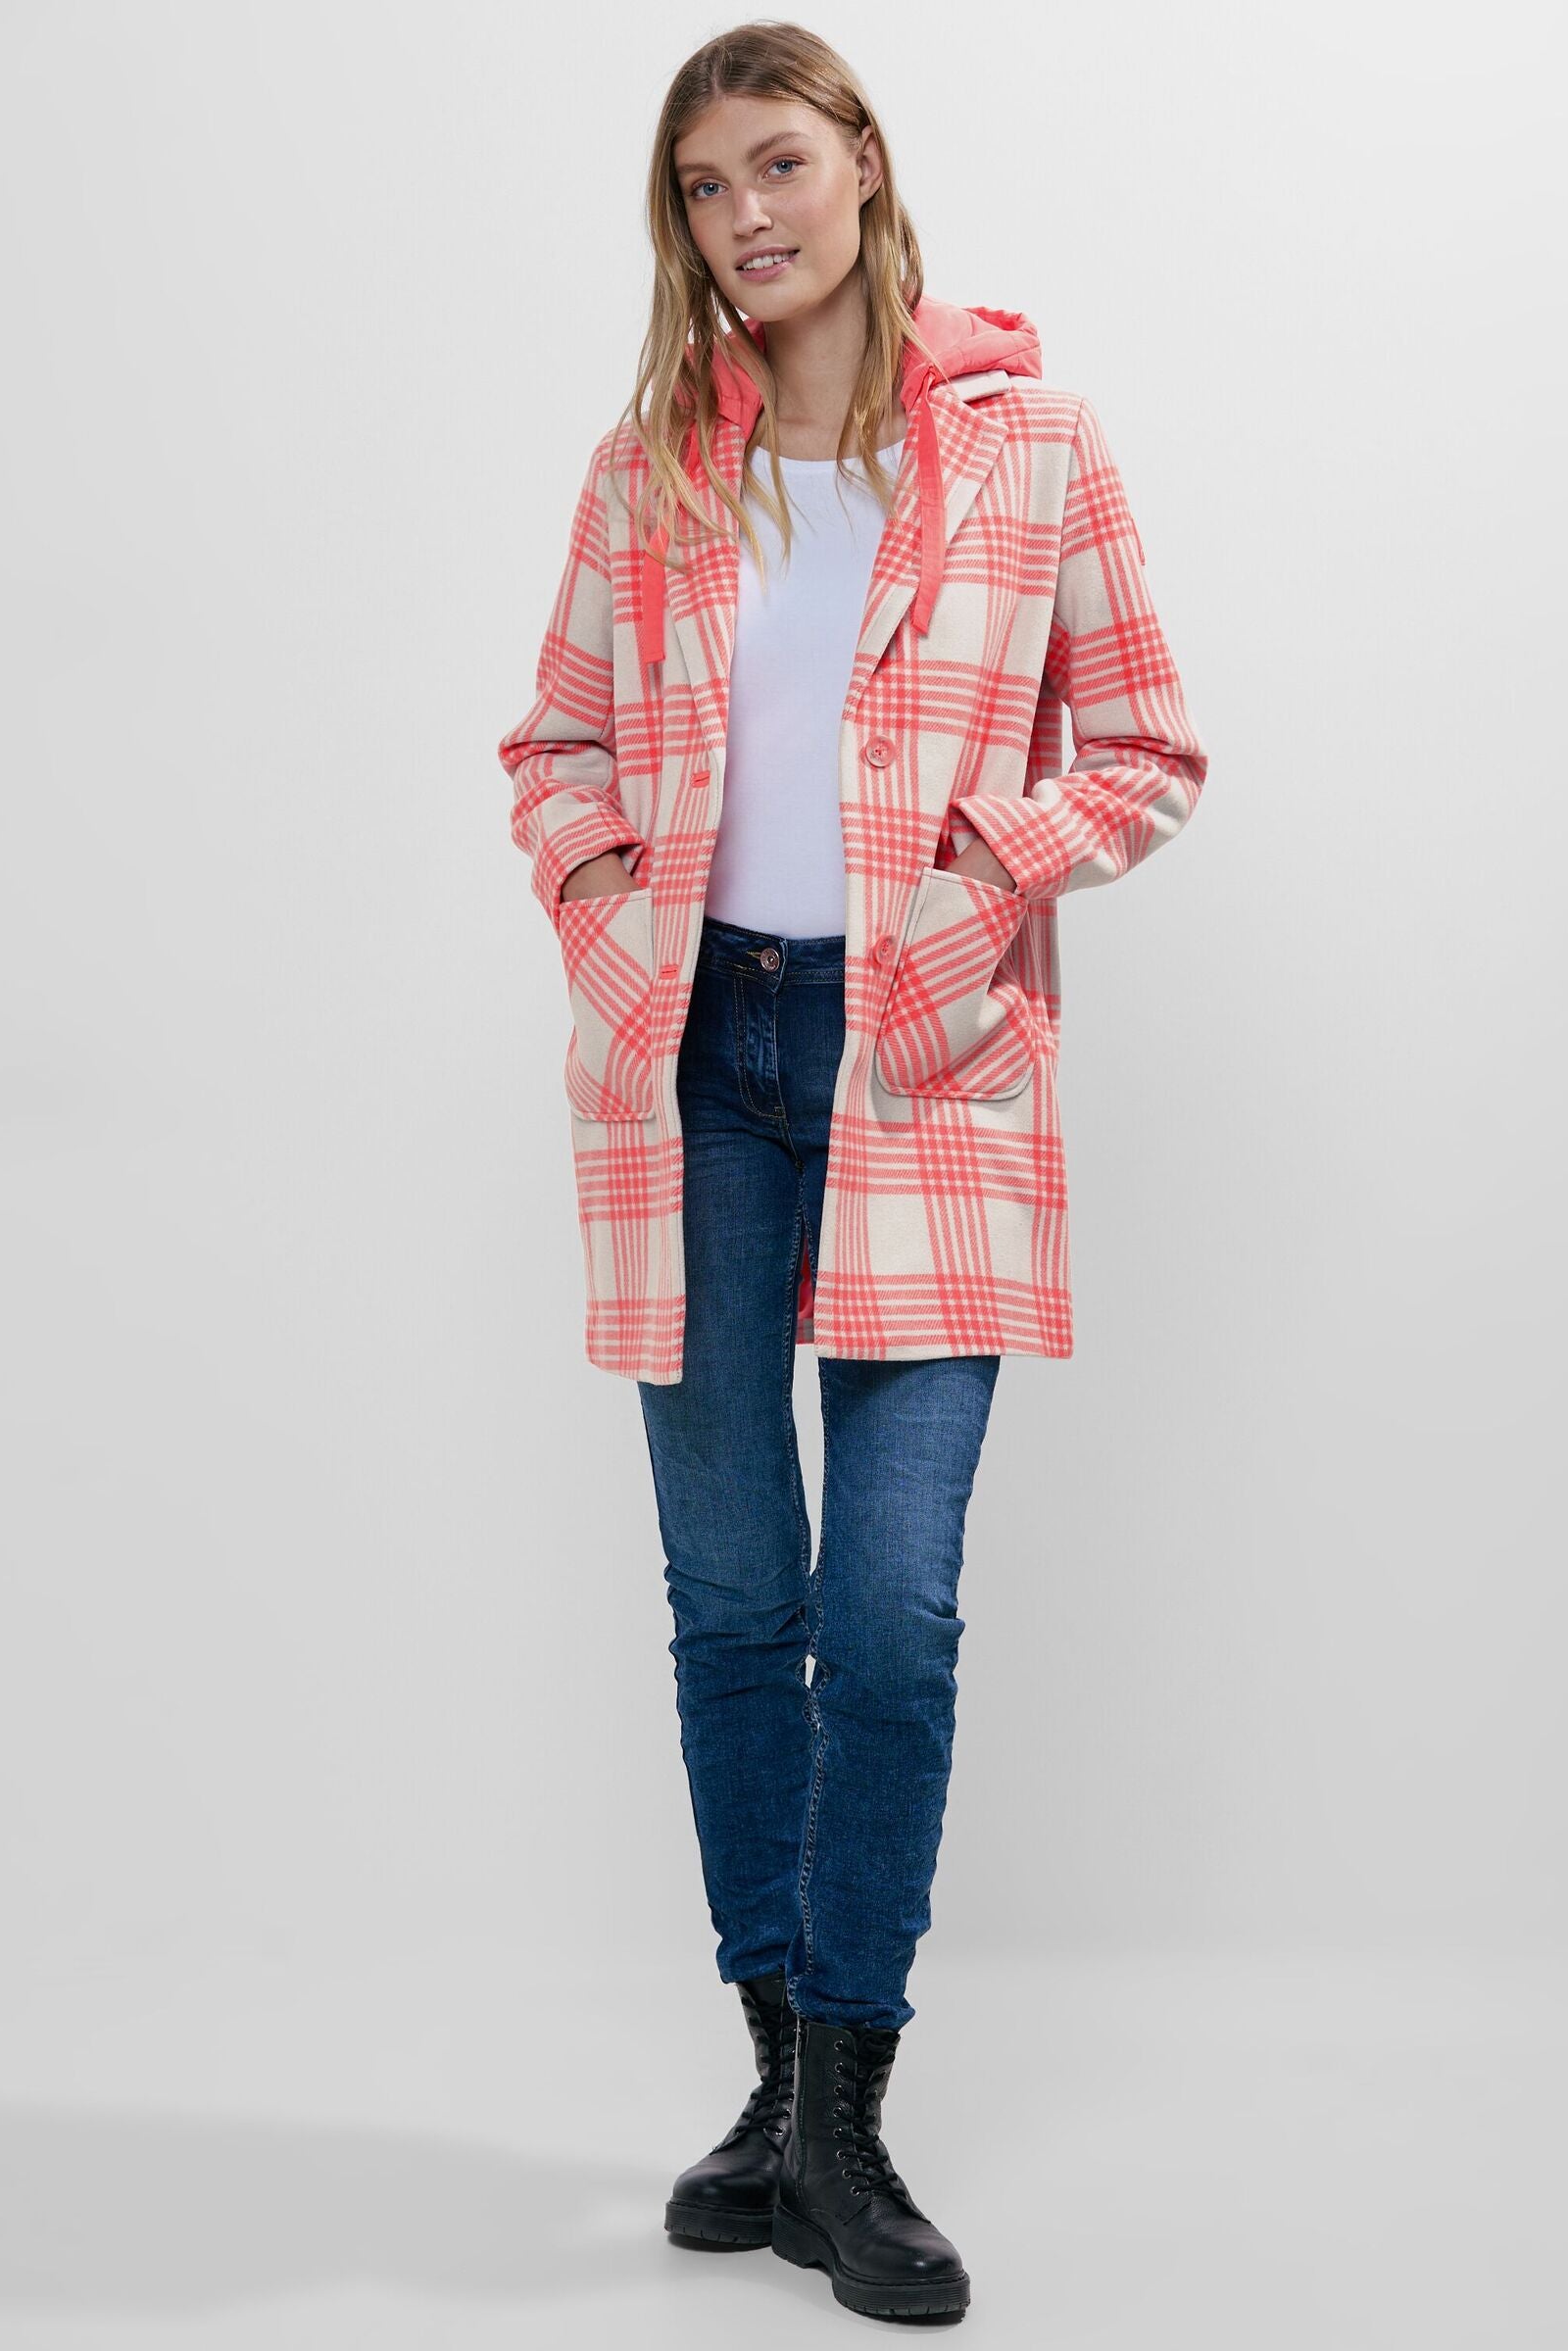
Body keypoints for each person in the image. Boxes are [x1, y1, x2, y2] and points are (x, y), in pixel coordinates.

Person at [497, 23, 1207, 2323]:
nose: (746, 219)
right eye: (703, 190)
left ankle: (844, 2113)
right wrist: (615, 915)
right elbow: (552, 746)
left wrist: (984, 883)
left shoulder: (1030, 448)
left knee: (886, 1616)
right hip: (695, 1060)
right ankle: (780, 2097)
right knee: (733, 1606)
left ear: (864, 164)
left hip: (922, 1056)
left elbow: (1146, 746)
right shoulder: (644, 471)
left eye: (776, 165)